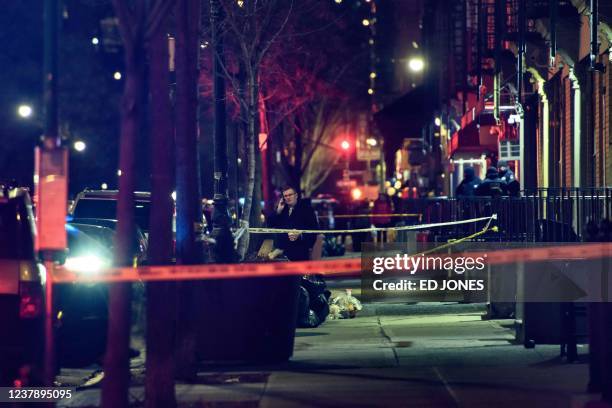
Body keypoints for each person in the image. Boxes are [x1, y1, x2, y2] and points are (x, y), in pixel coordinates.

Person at [267, 184, 319, 261]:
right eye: (285, 196)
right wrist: (278, 211)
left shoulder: (307, 209)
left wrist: (300, 234)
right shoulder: (282, 210)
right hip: (282, 252)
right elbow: (269, 224)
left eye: (290, 195)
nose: (288, 197)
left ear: (296, 195)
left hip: (299, 251)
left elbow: (315, 229)